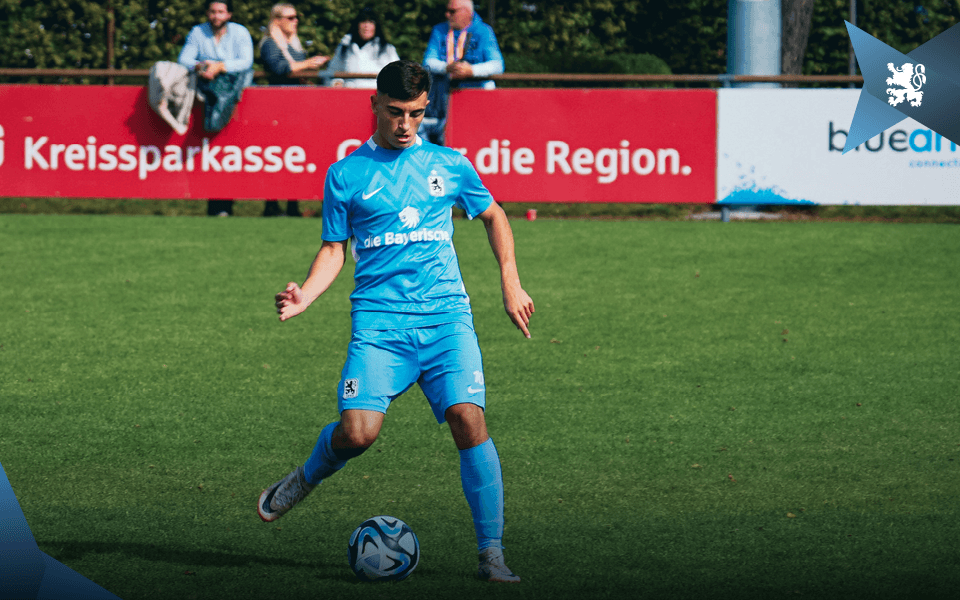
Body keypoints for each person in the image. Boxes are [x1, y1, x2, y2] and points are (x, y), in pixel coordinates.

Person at [258, 60, 533, 583]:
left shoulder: (450, 164)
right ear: (374, 106)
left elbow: (494, 215)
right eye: (395, 113)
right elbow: (334, 250)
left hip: (446, 319)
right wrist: (306, 295)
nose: (406, 124)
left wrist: (510, 282)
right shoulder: (345, 175)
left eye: (417, 114)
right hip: (381, 326)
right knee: (358, 434)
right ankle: (306, 476)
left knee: (468, 418)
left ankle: (491, 554)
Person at [178, 0, 254, 217]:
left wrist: (221, 66)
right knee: (213, 150)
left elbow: (246, 62)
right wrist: (202, 66)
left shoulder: (240, 33)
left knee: (231, 150)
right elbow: (184, 58)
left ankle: (226, 205)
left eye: (221, 11)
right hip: (205, 93)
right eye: (212, 11)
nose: (216, 16)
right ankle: (216, 205)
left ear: (229, 14)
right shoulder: (197, 32)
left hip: (235, 94)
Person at [259, 2, 330, 217]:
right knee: (276, 156)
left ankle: (292, 204)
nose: (295, 21)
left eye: (296, 17)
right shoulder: (270, 44)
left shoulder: (295, 45)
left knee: (296, 155)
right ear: (277, 20)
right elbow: (279, 68)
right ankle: (271, 204)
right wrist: (309, 63)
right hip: (278, 108)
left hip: (298, 107)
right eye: (290, 17)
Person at [421, 0, 504, 145]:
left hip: (476, 99)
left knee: (475, 141)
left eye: (452, 11)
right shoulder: (439, 30)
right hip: (444, 101)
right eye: (447, 11)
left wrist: (471, 70)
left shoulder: (484, 31)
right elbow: (428, 61)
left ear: (467, 12)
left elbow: (497, 65)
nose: (447, 15)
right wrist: (447, 67)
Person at [319, 6, 400, 89]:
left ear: (376, 26)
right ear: (357, 25)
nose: (366, 26)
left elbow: (397, 75)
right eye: (363, 22)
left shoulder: (387, 49)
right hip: (350, 95)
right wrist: (336, 82)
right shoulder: (345, 47)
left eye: (371, 22)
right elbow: (332, 73)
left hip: (376, 96)